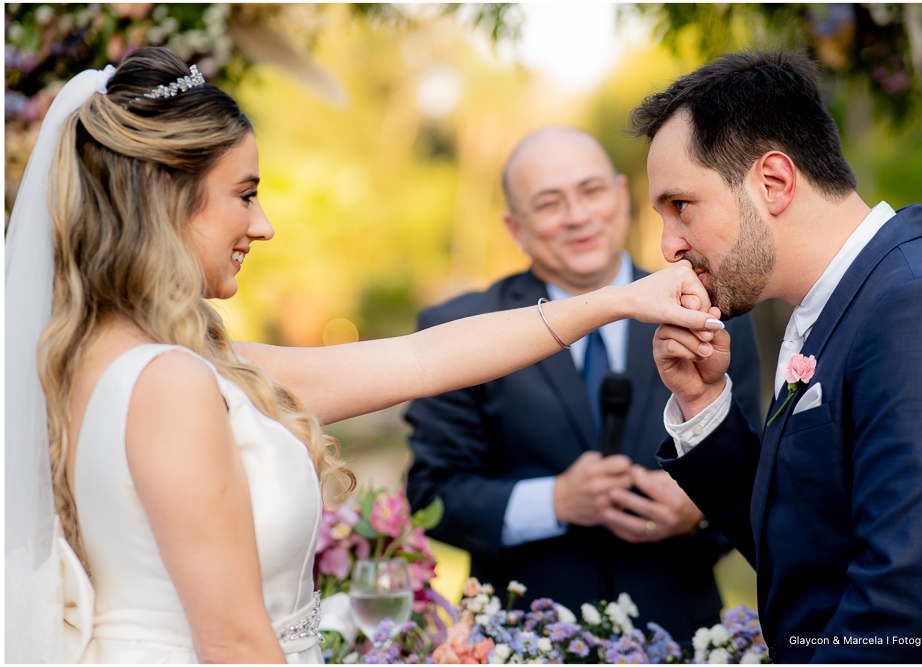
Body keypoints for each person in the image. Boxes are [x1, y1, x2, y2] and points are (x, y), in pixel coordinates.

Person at [5, 47, 723, 663]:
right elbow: (235, 645)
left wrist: (616, 301)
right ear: (166, 192)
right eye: (244, 194)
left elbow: (421, 361)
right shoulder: (170, 381)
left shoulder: (120, 358)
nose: (264, 225)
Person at [630, 49, 922, 663]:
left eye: (681, 205)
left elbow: (906, 608)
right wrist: (702, 401)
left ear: (773, 182)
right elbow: (805, 547)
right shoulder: (838, 305)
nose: (668, 246)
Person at [405, 126, 762, 638]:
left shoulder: (710, 311)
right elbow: (430, 495)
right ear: (514, 227)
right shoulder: (461, 329)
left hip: (678, 634)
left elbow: (758, 480)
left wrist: (701, 509)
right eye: (549, 203)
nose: (577, 216)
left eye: (591, 191)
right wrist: (552, 502)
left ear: (621, 197)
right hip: (521, 639)